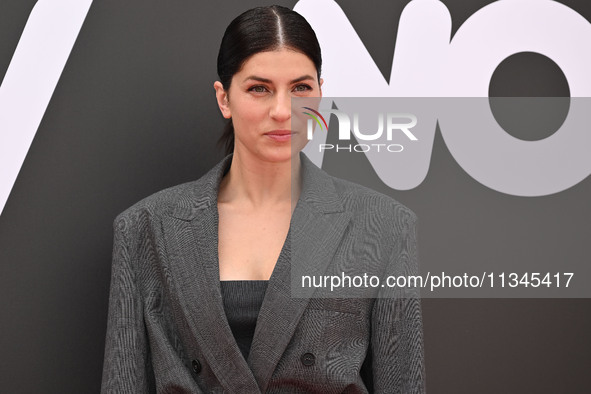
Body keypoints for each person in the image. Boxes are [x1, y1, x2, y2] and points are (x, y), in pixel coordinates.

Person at [101, 5, 425, 393]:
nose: (282, 111)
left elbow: (403, 383)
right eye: (259, 89)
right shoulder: (146, 228)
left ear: (320, 93)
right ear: (224, 99)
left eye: (301, 88)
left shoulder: (384, 225)